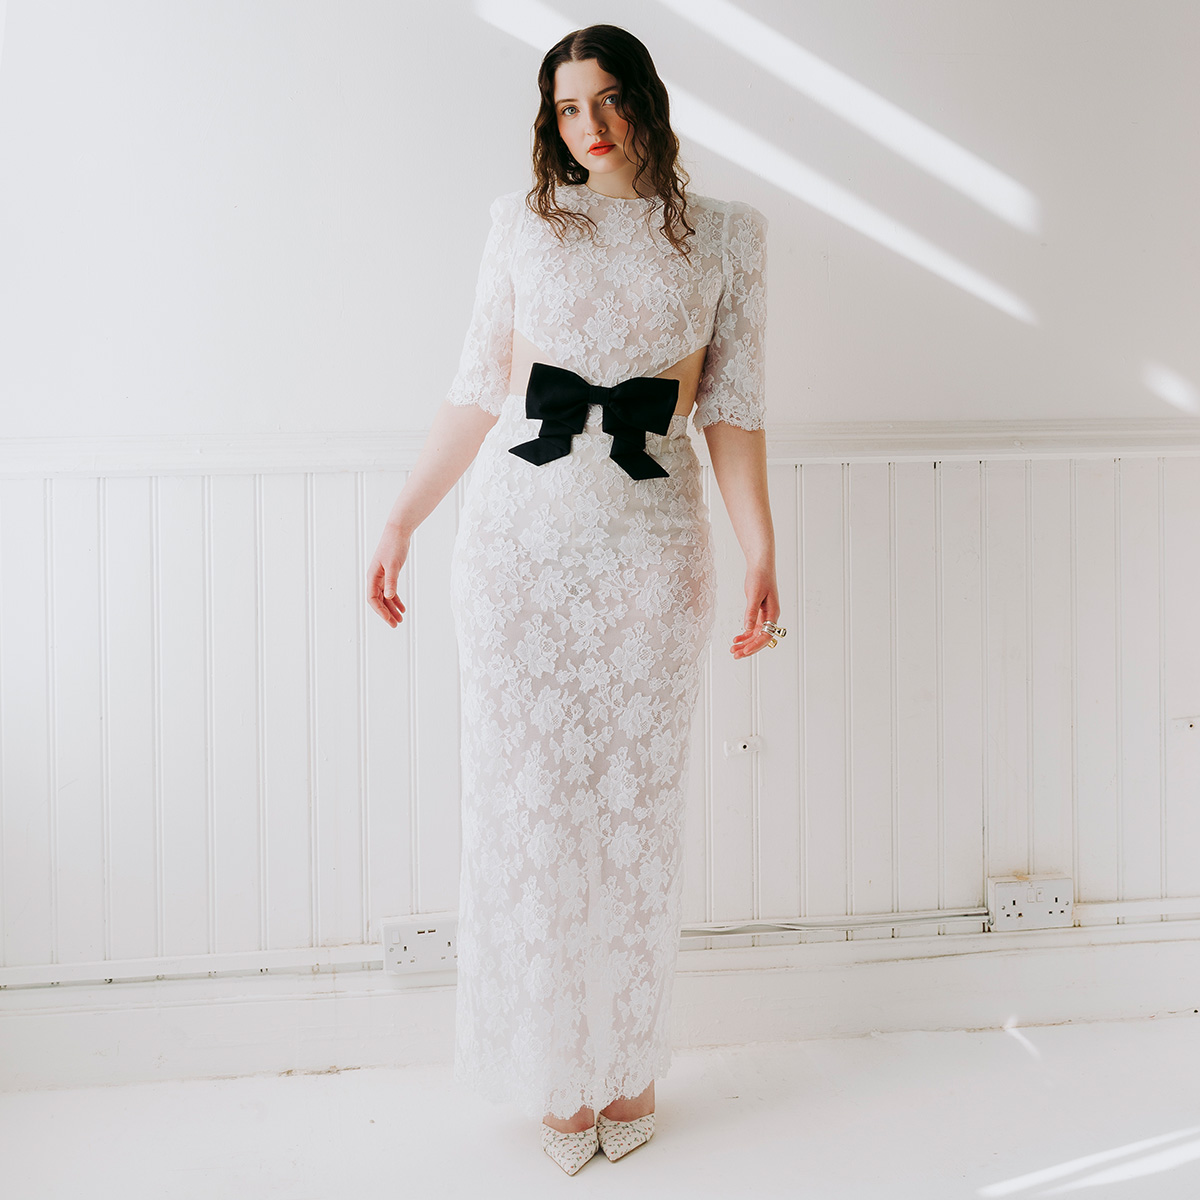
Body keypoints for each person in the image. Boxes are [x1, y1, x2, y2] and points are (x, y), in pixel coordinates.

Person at [366, 23, 782, 1175]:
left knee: (635, 819)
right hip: (516, 552)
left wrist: (761, 549)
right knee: (533, 814)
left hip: (653, 552)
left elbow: (733, 413)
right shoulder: (518, 223)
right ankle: (558, 1077)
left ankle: (627, 1068)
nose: (587, 129)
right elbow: (473, 391)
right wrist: (402, 517)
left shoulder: (730, 239)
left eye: (606, 102)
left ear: (647, 102)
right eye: (565, 109)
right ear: (549, 120)